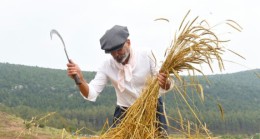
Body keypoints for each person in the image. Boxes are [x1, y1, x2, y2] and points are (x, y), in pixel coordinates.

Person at [66, 25, 174, 137]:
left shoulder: (147, 55)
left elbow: (166, 84)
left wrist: (165, 82)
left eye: (119, 49)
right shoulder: (106, 65)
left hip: (152, 109)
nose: (117, 54)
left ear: (128, 42)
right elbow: (91, 94)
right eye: (112, 52)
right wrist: (80, 79)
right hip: (124, 114)